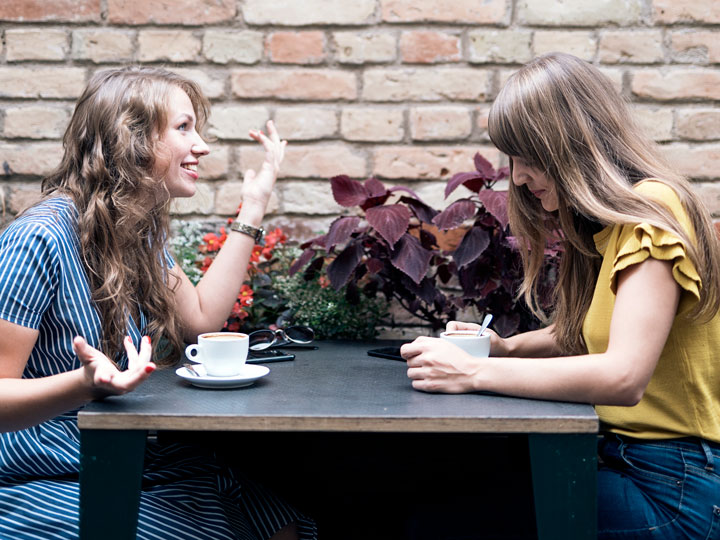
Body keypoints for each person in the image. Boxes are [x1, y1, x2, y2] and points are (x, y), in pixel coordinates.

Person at [400, 52, 720, 539]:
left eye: (528, 159)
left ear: (571, 146)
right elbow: (586, 334)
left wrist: (474, 372)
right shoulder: (609, 228)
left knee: (440, 522)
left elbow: (624, 375)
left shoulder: (652, 211)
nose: (519, 177)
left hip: (676, 488)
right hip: (631, 462)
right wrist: (506, 347)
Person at [0, 66, 316, 540]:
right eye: (184, 128)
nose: (202, 146)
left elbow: (202, 319)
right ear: (132, 139)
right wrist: (84, 384)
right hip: (39, 463)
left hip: (113, 443)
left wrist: (254, 205)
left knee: (280, 521)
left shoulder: (137, 231)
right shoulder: (37, 237)